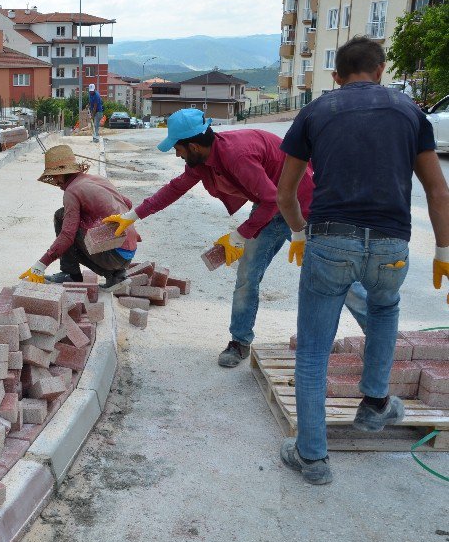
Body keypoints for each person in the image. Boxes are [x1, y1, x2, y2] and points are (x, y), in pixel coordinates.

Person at [276, 36, 449, 485]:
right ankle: (374, 404)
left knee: (314, 349)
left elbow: (285, 191)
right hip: (392, 245)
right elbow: (437, 190)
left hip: (331, 241)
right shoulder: (410, 112)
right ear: (380, 69)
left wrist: (298, 233)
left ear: (336, 76)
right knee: (384, 308)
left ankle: (312, 459)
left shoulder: (316, 111)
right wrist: (443, 250)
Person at [105, 108, 368, 367]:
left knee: (335, 276)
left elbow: (271, 199)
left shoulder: (236, 154)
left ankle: (379, 338)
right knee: (247, 276)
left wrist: (240, 236)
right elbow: (174, 189)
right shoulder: (202, 162)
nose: (177, 153)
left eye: (178, 147)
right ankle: (239, 341)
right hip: (270, 207)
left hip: (305, 208)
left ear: (194, 145)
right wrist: (133, 216)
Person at [20, 144, 141, 289]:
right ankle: (116, 277)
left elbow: (67, 236)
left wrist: (40, 265)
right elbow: (127, 203)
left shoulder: (72, 191)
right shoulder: (98, 179)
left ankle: (70, 274)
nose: (55, 182)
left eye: (53, 176)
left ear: (61, 173)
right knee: (78, 222)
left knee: (61, 216)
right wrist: (95, 221)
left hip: (112, 256)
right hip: (128, 253)